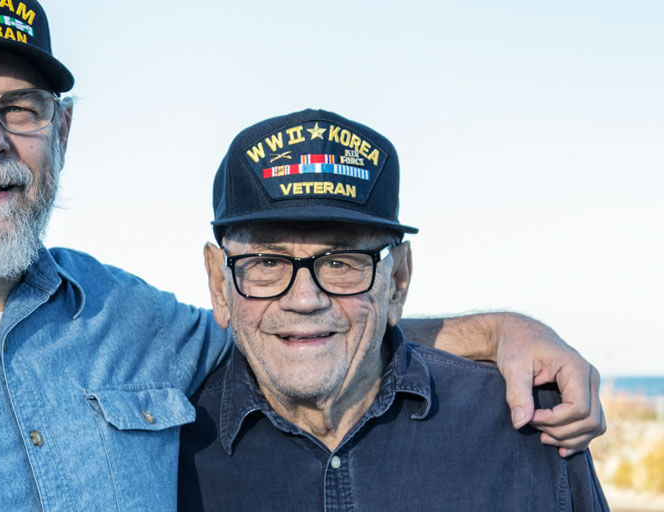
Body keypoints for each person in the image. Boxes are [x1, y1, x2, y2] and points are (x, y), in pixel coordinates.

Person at [0, 1, 600, 510]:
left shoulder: (127, 319)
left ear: (61, 135)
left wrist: (498, 330)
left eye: (19, 110)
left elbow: (293, 324)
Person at [178, 109, 609, 510]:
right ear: (219, 283)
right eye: (267, 263)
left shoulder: (528, 426)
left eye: (341, 262)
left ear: (397, 281)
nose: (305, 299)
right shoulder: (167, 451)